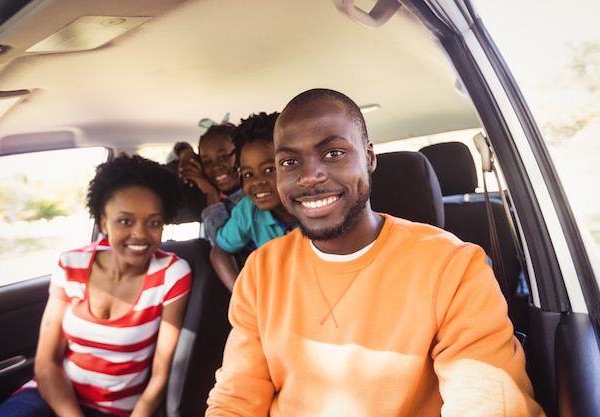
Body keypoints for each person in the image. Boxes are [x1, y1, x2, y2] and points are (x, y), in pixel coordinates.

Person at [205, 88, 545, 416]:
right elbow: (237, 395)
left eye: (333, 153)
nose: (309, 176)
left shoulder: (452, 267)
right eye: (290, 161)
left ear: (368, 157)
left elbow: (490, 402)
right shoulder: (261, 270)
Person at [0, 154, 192, 417]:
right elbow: (47, 361)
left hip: (117, 410)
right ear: (103, 221)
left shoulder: (172, 274)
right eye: (125, 221)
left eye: (153, 222)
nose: (141, 234)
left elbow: (161, 376)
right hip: (53, 395)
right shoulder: (72, 263)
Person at [209, 112, 299, 291]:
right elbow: (219, 252)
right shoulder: (248, 210)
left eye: (269, 169)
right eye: (248, 174)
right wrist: (241, 296)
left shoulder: (315, 204)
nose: (257, 181)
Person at [172, 119, 244, 245]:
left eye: (223, 157)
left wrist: (210, 191)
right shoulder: (205, 197)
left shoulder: (252, 201)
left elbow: (222, 246)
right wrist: (185, 152)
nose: (216, 167)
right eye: (207, 162)